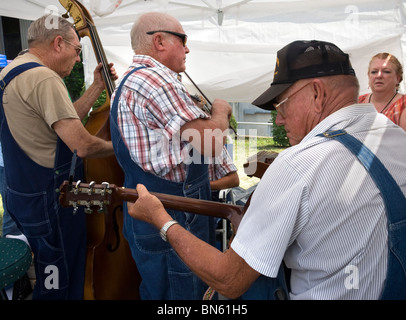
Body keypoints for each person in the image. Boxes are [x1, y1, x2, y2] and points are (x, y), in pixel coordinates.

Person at [126, 40, 406, 300]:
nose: (279, 120)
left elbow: (229, 279)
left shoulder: (297, 165)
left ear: (317, 94)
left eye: (281, 105)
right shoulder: (398, 138)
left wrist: (161, 220)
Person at [110, 12, 232, 300]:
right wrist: (221, 112)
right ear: (160, 41)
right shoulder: (157, 79)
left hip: (154, 214)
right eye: (183, 40)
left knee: (159, 291)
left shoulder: (130, 82)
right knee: (184, 295)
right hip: (173, 214)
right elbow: (212, 142)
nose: (187, 48)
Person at [0, 14, 117, 300]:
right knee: (58, 280)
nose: (78, 59)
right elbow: (82, 146)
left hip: (20, 193)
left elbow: (62, 122)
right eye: (77, 50)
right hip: (49, 199)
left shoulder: (13, 70)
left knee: (44, 270)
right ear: (58, 43)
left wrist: (97, 87)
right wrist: (124, 148)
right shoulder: (44, 78)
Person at [358, 52, 406, 130]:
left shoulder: (403, 104)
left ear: (398, 78)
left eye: (386, 71)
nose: (379, 75)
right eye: (374, 72)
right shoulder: (358, 102)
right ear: (369, 76)